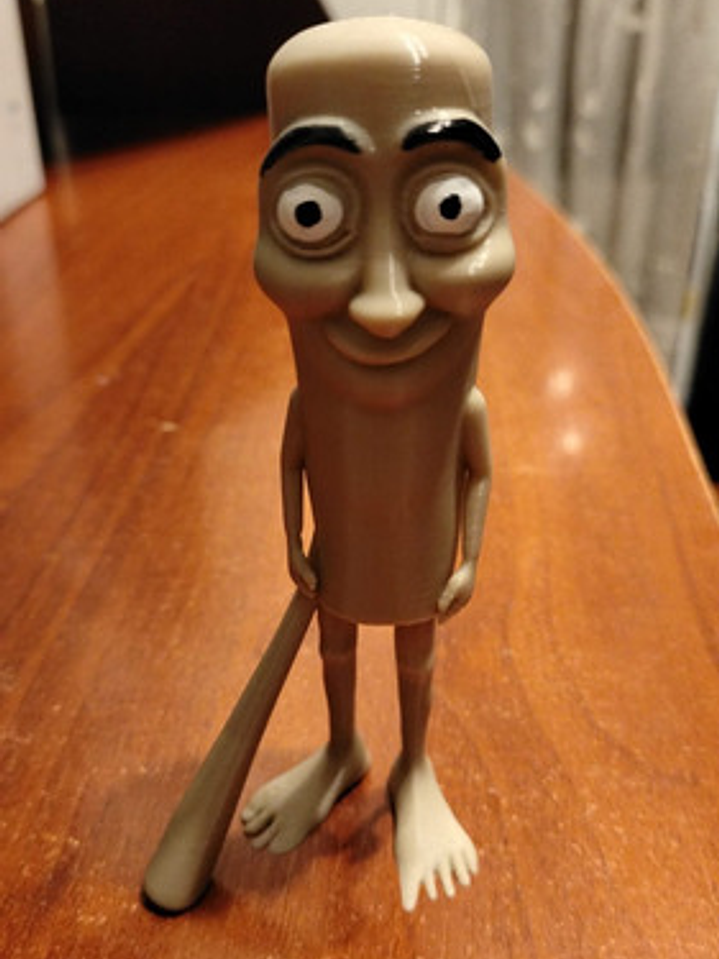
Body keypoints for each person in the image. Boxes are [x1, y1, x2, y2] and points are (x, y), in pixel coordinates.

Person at [241, 17, 515, 911]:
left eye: (447, 208)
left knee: (415, 654)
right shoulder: (307, 402)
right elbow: (291, 462)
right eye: (311, 215)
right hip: (340, 554)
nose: (386, 306)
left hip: (421, 554)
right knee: (336, 644)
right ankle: (339, 746)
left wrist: (470, 557)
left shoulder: (463, 406)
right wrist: (293, 542)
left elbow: (479, 472)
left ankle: (415, 765)